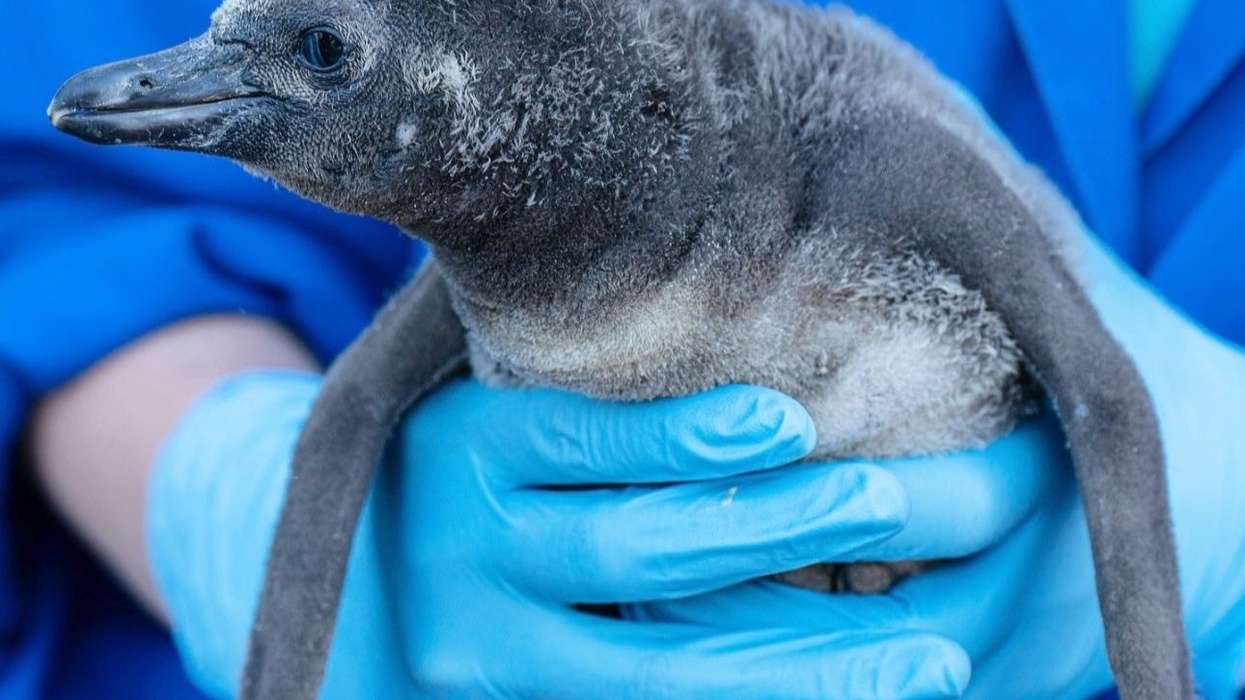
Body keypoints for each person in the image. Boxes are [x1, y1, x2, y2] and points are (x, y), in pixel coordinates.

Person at [4, 0, 1241, 698]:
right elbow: (62, 212)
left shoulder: (858, 155)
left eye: (322, 52)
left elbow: (1106, 397)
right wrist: (216, 491)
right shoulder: (517, 231)